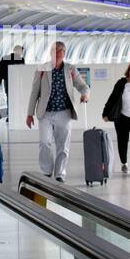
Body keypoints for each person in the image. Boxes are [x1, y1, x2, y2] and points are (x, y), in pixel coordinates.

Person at [26, 41, 88, 182]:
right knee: (44, 142)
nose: (58, 53)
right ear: (51, 52)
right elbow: (34, 92)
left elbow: (83, 86)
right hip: (45, 113)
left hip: (64, 113)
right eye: (55, 50)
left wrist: (85, 94)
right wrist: (29, 114)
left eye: (61, 51)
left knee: (63, 145)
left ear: (64, 53)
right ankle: (46, 171)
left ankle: (60, 173)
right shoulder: (42, 69)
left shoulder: (71, 69)